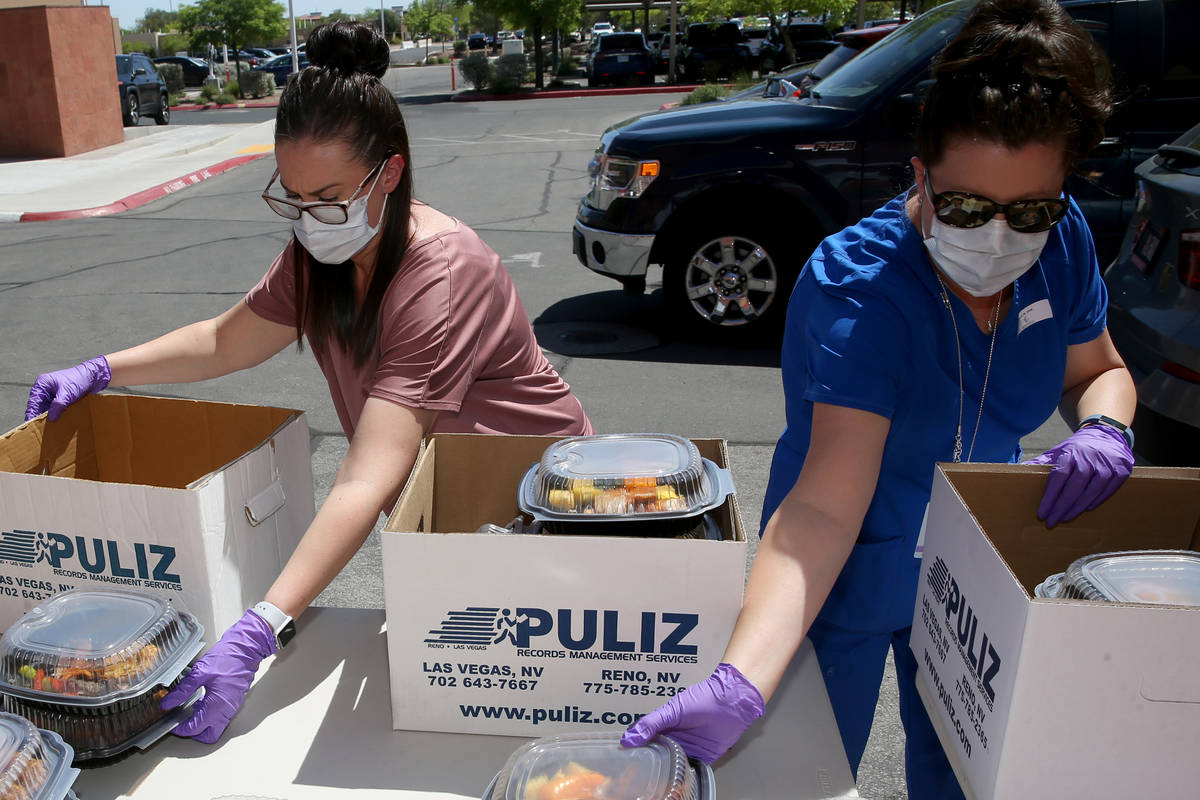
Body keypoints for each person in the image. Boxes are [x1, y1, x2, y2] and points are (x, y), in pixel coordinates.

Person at [24, 21, 592, 744]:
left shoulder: (441, 272)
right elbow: (225, 340)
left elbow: (367, 475)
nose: (308, 219)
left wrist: (262, 625)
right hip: (441, 505)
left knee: (513, 714)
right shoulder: (321, 248)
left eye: (326, 197)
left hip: (530, 504)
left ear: (389, 172)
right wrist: (104, 369)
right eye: (290, 198)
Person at [622, 1, 1135, 796]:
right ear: (920, 173)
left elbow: (1096, 368)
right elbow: (827, 506)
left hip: (974, 572)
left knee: (964, 771)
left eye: (1028, 211)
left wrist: (1106, 426)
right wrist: (742, 679)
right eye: (965, 208)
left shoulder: (1061, 248)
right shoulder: (861, 291)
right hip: (849, 565)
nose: (998, 237)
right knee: (809, 774)